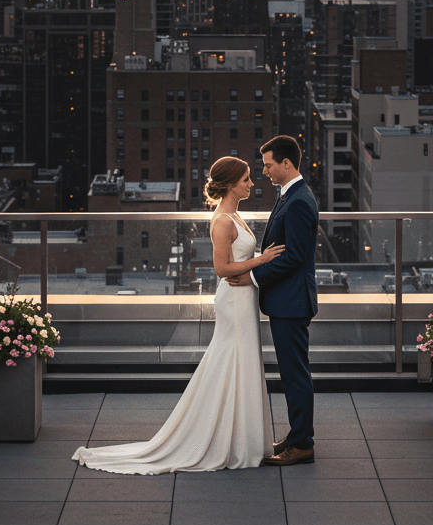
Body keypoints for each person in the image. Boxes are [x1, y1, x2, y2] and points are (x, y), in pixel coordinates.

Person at [71, 157, 283, 473]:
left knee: (241, 361)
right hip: (235, 302)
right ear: (229, 185)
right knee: (235, 360)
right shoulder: (223, 221)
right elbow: (222, 268)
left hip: (244, 300)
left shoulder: (234, 215)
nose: (252, 184)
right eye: (246, 180)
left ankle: (245, 438)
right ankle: (233, 440)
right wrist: (262, 260)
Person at [227, 134, 319, 466]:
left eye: (267, 165)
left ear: (286, 163)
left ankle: (303, 444)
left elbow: (292, 257)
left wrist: (250, 277)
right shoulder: (289, 196)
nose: (264, 171)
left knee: (295, 374)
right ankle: (297, 437)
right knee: (294, 372)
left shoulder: (297, 202)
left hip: (291, 302)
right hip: (287, 301)